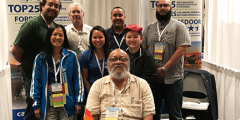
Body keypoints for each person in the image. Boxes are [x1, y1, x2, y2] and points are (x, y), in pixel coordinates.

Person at [11, 0, 61, 119]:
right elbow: (15, 50)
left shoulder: (53, 27)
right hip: (33, 78)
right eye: (50, 4)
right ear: (42, 6)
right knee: (34, 110)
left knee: (47, 110)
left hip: (49, 77)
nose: (53, 8)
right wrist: (27, 64)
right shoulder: (32, 25)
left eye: (56, 6)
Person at [142, 0, 191, 120]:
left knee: (175, 115)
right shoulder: (149, 28)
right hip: (153, 79)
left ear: (171, 7)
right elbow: (144, 49)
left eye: (166, 6)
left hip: (173, 79)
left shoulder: (179, 27)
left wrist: (164, 69)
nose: (162, 8)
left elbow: (181, 50)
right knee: (153, 113)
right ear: (156, 8)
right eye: (160, 6)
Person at [30, 24, 84, 120]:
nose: (57, 38)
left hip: (68, 102)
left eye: (61, 35)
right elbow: (36, 82)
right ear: (49, 36)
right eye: (55, 34)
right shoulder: (40, 58)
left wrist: (78, 101)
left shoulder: (72, 56)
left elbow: (78, 80)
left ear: (64, 38)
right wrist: (36, 104)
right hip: (48, 104)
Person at [86, 49, 155, 120]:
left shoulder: (142, 84)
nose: (118, 62)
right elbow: (90, 115)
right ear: (108, 64)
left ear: (129, 63)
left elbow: (148, 114)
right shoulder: (98, 85)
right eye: (113, 59)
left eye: (123, 59)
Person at [80, 26, 111, 94]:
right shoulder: (85, 55)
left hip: (110, 91)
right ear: (91, 39)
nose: (98, 40)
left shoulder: (112, 54)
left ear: (105, 38)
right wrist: (92, 94)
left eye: (100, 37)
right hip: (93, 91)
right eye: (94, 37)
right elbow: (85, 79)